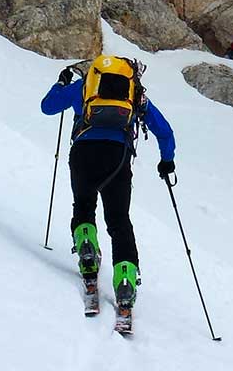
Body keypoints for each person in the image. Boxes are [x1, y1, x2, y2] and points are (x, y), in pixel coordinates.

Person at [41, 57, 175, 327]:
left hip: (83, 153)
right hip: (117, 157)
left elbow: (48, 107)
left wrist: (61, 84)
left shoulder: (83, 87)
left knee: (83, 207)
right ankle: (125, 282)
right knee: (119, 221)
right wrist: (166, 161)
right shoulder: (135, 94)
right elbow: (164, 131)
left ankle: (88, 255)